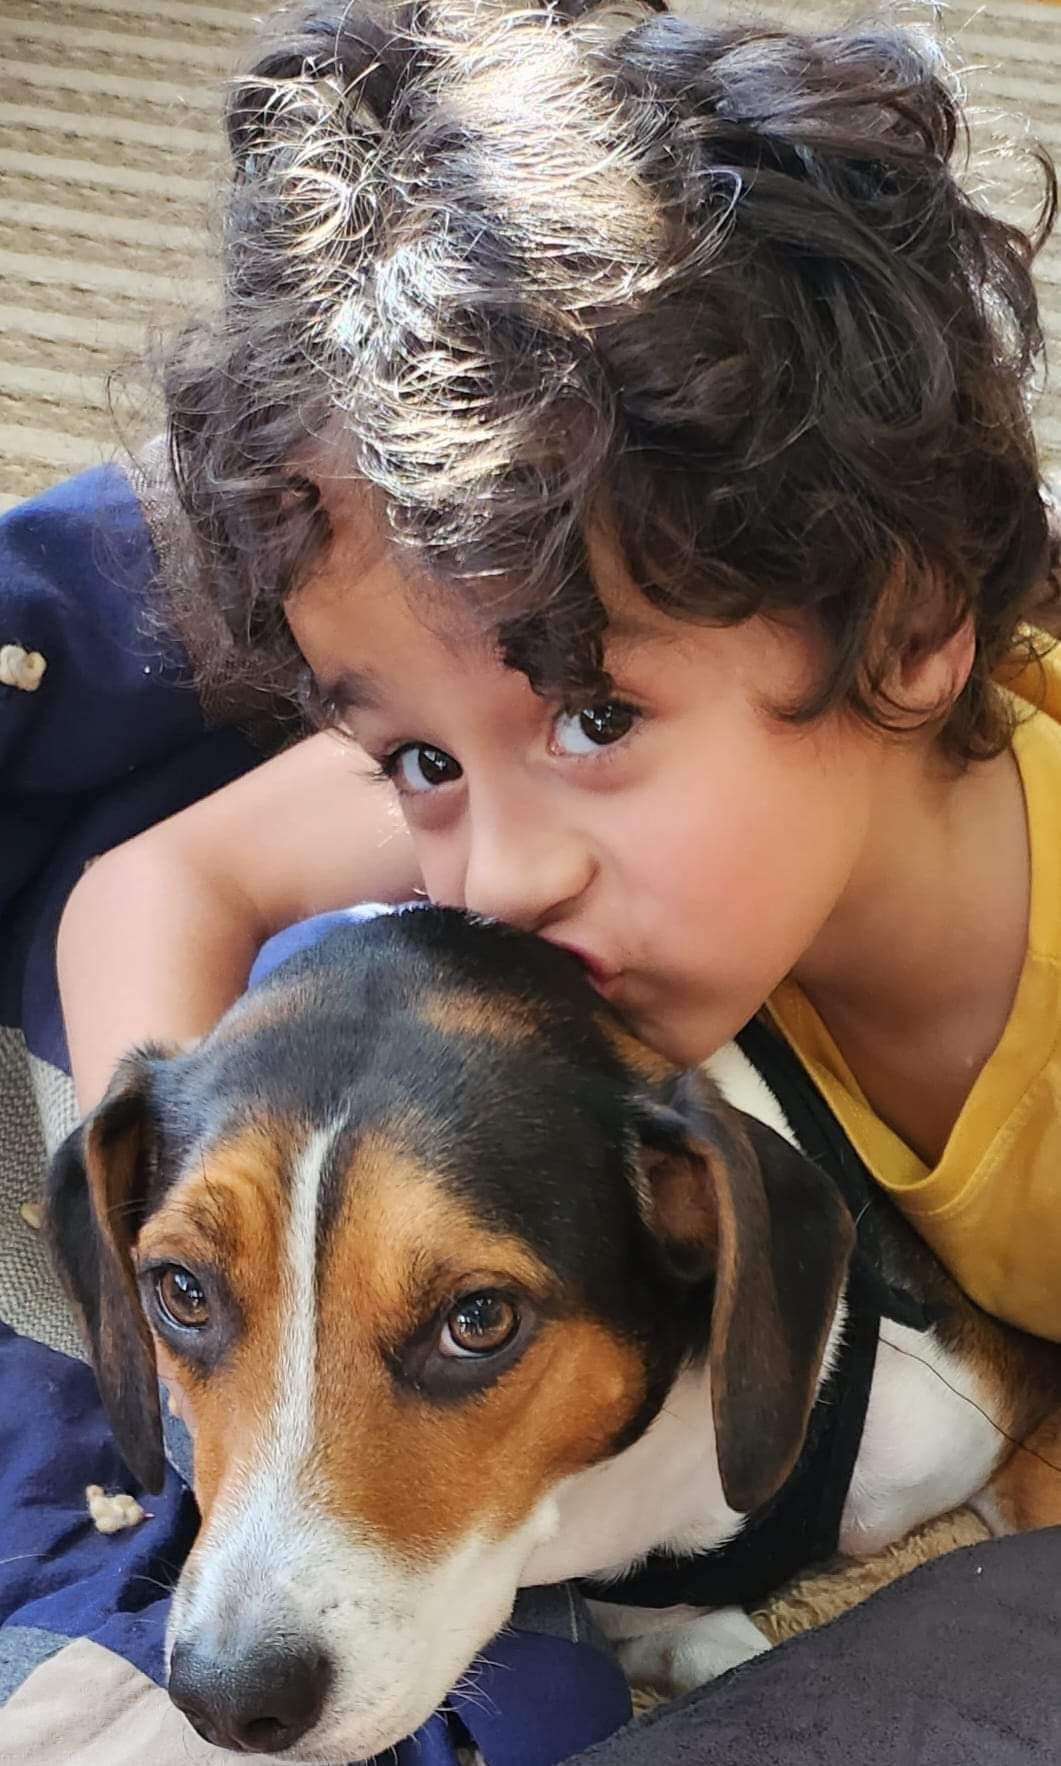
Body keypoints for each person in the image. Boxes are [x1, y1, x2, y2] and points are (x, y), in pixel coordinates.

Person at [56, 0, 1061, 1340]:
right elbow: (154, 884)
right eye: (419, 761)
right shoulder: (591, 808)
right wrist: (200, 1306)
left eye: (594, 718)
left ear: (905, 632)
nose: (492, 885)